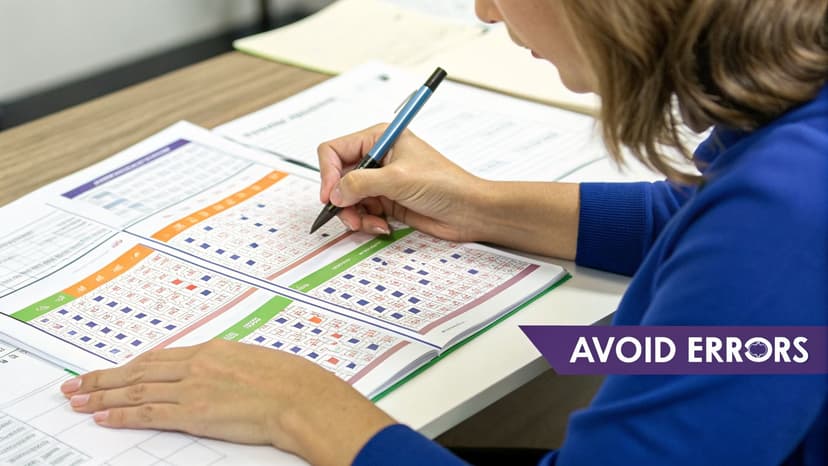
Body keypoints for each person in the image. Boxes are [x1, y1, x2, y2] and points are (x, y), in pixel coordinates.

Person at [59, 0, 827, 464]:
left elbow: (755, 243)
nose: (486, 12)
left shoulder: (789, 209)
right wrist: (482, 205)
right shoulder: (790, 125)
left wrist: (300, 405)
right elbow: (700, 224)